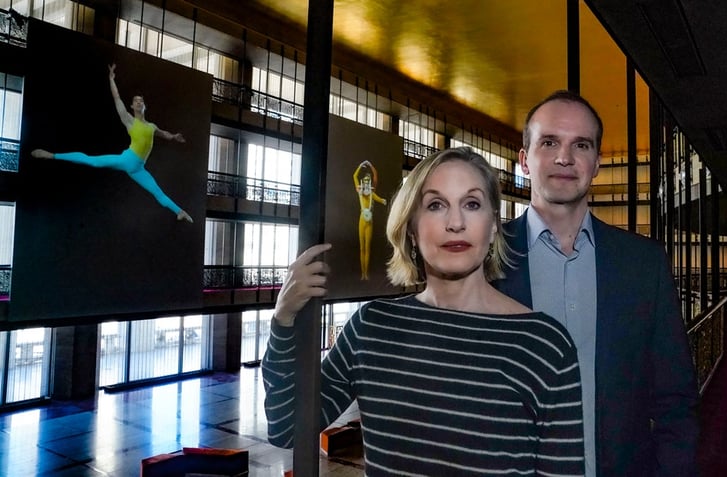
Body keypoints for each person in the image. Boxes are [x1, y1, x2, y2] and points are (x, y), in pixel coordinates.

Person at [263, 147, 585, 476]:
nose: (456, 223)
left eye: (472, 204)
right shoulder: (372, 327)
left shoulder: (544, 344)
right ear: (412, 230)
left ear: (492, 228)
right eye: (435, 205)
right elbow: (288, 427)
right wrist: (283, 319)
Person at [492, 90, 699, 476]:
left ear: (597, 163)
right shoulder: (483, 261)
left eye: (581, 145)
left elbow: (675, 398)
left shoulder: (643, 263)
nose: (564, 157)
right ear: (523, 160)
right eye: (549, 142)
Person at [31, 63, 193, 223]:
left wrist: (174, 136)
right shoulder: (129, 120)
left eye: (141, 101)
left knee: (158, 192)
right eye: (136, 101)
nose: (139, 102)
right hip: (127, 159)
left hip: (138, 169)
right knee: (92, 162)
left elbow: (163, 134)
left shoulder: (151, 126)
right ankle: (52, 155)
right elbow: (117, 98)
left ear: (145, 106)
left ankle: (180, 212)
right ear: (132, 106)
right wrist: (111, 79)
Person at [353, 159, 386, 279]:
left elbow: (376, 177)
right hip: (362, 219)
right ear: (363, 182)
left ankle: (366, 273)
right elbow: (354, 176)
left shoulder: (372, 193)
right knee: (362, 247)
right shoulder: (359, 192)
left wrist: (371, 166)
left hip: (369, 221)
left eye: (368, 181)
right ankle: (363, 274)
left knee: (368, 247)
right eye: (365, 181)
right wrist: (360, 166)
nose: (366, 183)